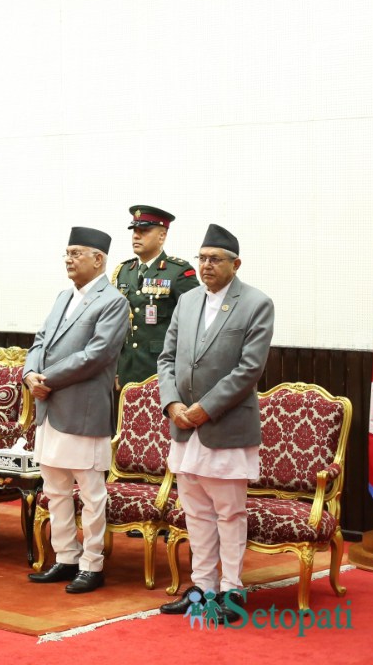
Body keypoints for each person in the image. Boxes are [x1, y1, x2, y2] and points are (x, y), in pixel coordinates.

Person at [157, 224, 273, 622]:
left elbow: (248, 370)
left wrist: (205, 408)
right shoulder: (187, 301)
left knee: (229, 513)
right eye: (201, 258)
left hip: (225, 428)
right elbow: (166, 359)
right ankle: (202, 588)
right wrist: (172, 403)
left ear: (235, 264)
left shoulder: (256, 303)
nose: (206, 265)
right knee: (196, 513)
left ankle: (231, 592)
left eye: (215, 259)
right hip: (184, 427)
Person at [24, 227, 127, 594]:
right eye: (66, 253)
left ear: (98, 259)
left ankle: (92, 563)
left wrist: (46, 377)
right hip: (49, 407)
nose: (68, 259)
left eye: (76, 253)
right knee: (55, 488)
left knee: (91, 492)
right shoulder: (62, 297)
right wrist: (29, 373)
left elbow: (97, 355)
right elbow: (39, 341)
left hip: (82, 409)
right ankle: (66, 556)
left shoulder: (112, 301)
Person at [111, 205, 199, 391]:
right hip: (128, 370)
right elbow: (117, 327)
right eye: (134, 231)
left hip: (162, 371)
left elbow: (193, 326)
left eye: (144, 231)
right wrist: (117, 369)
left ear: (162, 236)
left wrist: (180, 375)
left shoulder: (180, 272)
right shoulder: (123, 272)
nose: (136, 236)